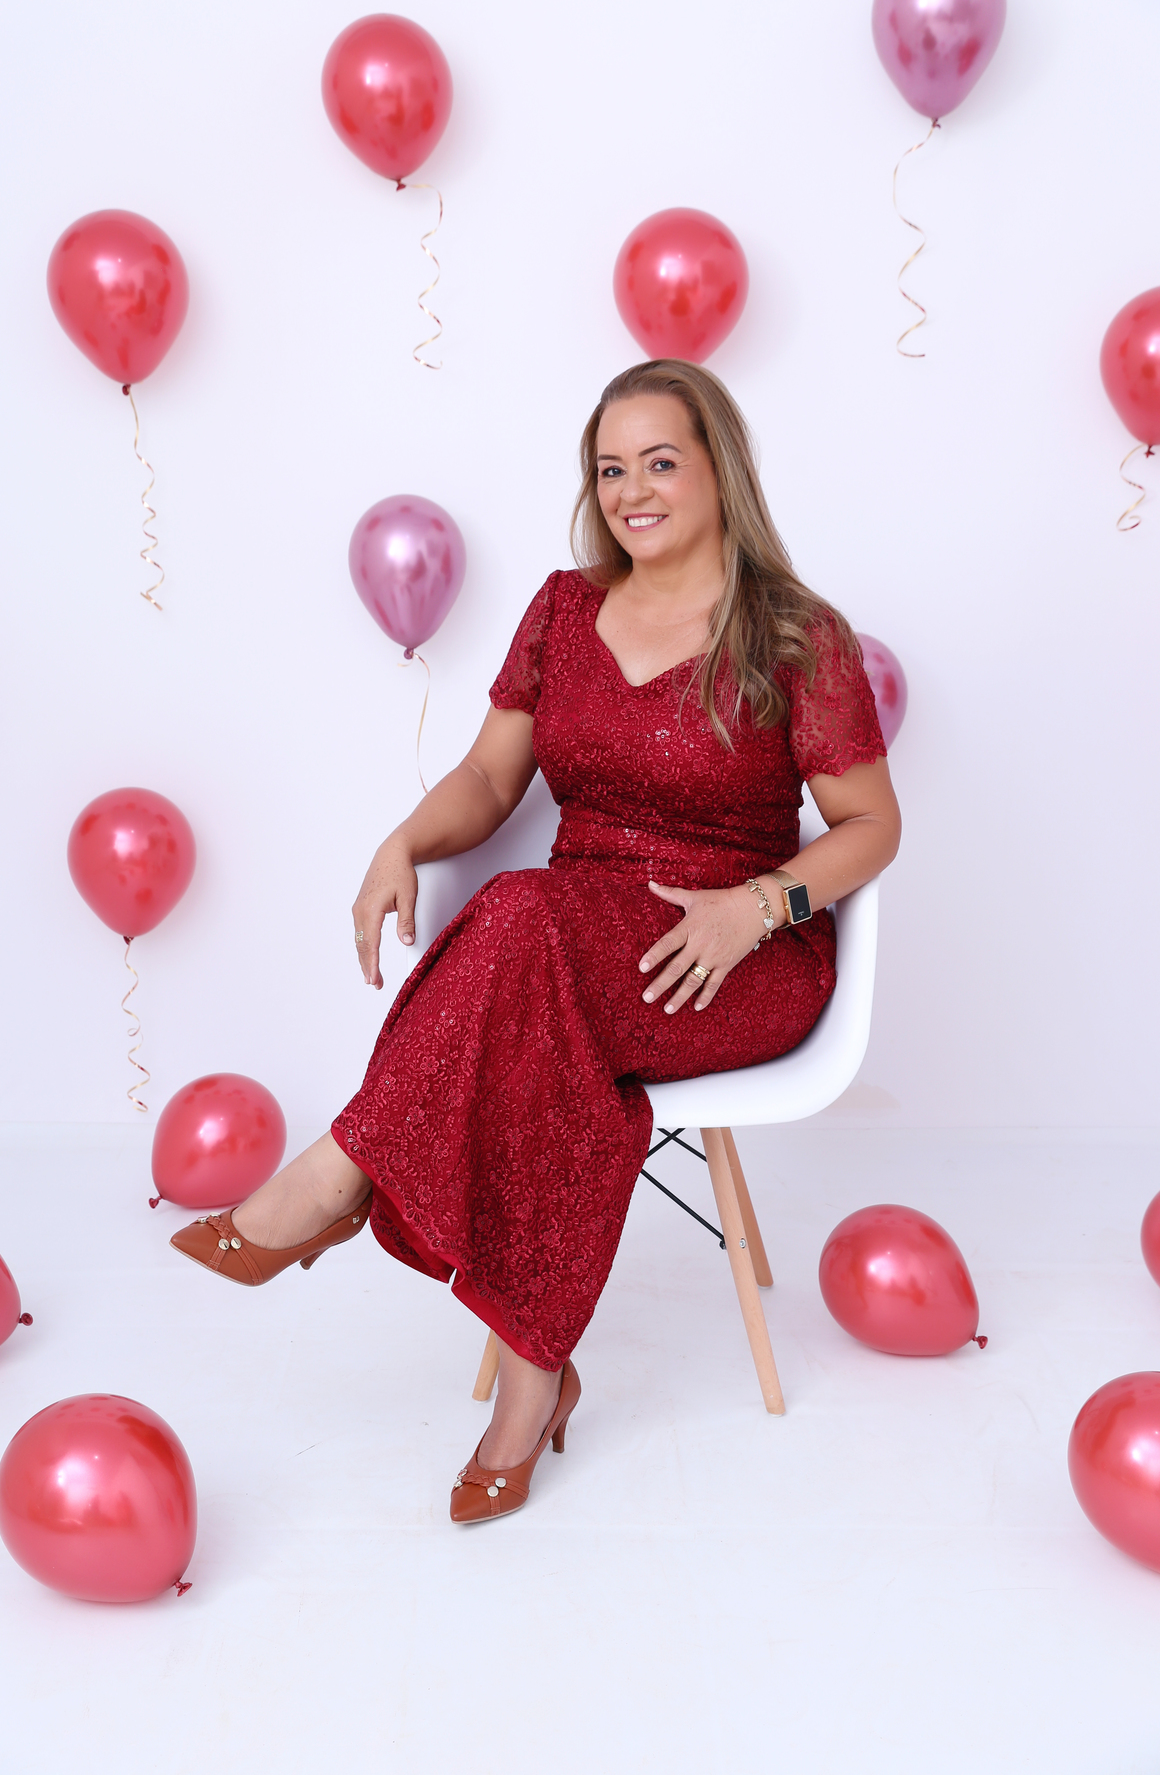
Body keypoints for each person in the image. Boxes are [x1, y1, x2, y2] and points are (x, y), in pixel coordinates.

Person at [171, 359, 901, 1525]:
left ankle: (339, 1176)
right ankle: (533, 1383)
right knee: (546, 1002)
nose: (632, 491)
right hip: (574, 947)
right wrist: (402, 842)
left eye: (660, 463)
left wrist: (758, 907)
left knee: (519, 922)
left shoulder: (794, 634)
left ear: (719, 471)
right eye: (610, 469)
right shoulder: (564, 609)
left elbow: (871, 827)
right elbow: (488, 778)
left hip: (730, 953)